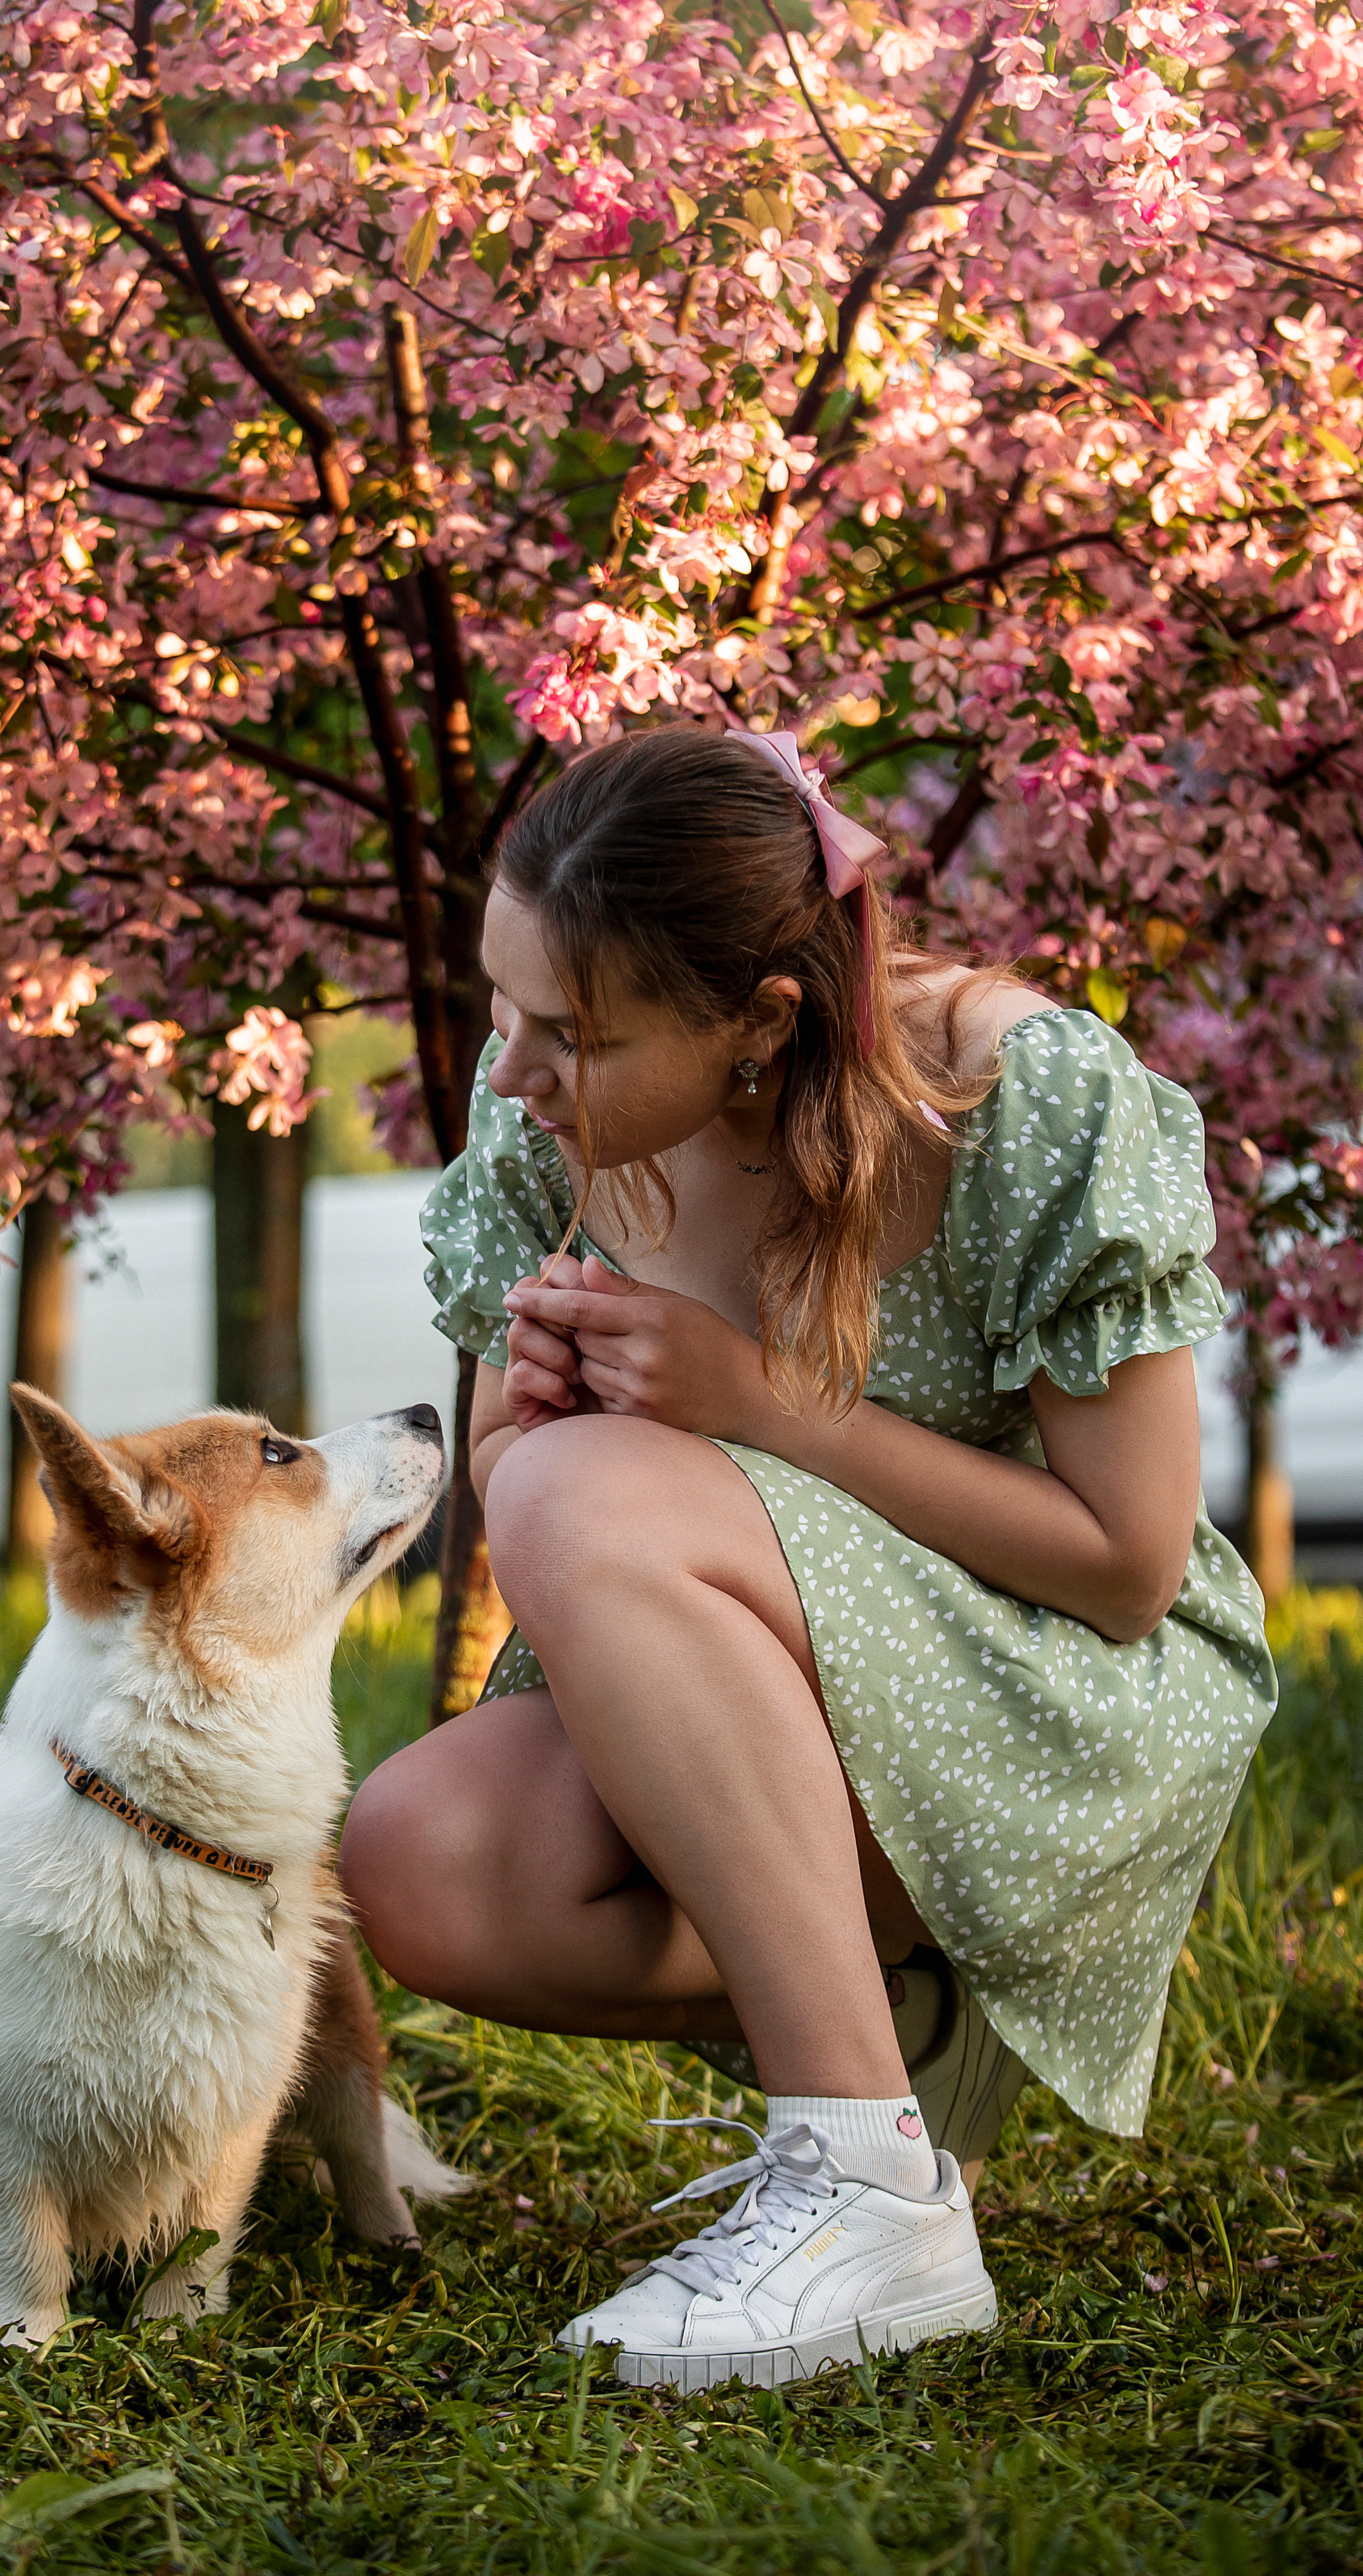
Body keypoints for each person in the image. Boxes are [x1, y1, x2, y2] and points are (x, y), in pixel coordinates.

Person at [339, 724, 1276, 2393]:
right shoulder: (539, 1132)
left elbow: (1128, 1567)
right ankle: (898, 2035)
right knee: (418, 1856)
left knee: (575, 1493)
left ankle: (862, 2183)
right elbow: (512, 1480)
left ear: (756, 1022)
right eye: (502, 1005)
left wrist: (753, 1404)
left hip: (1056, 1695)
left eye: (573, 1033)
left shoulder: (1021, 1097)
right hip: (772, 1699)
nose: (511, 1072)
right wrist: (524, 1413)